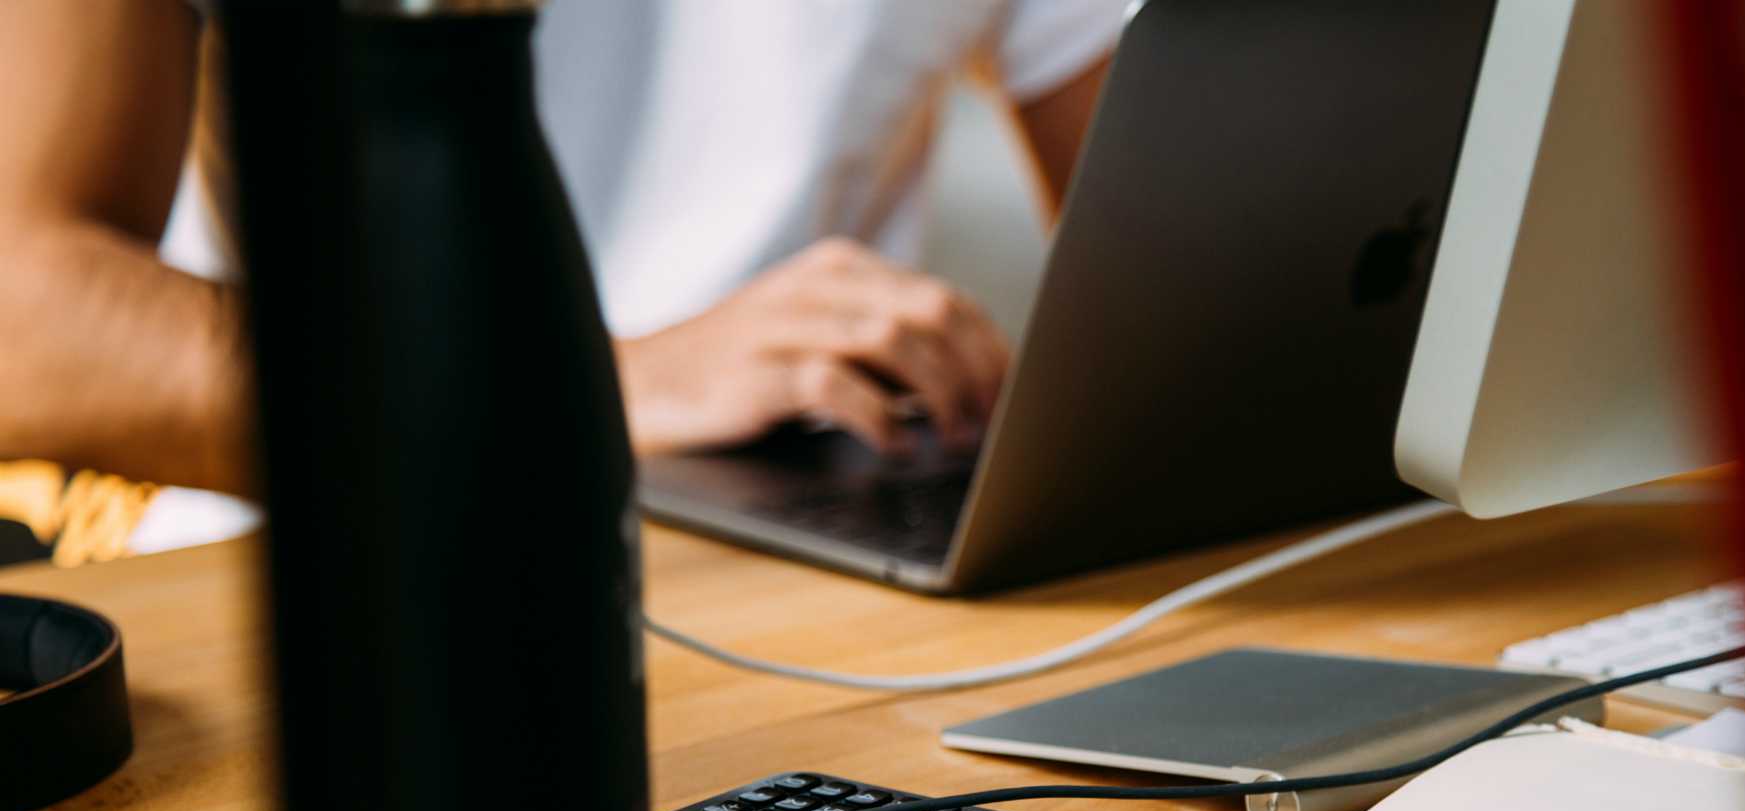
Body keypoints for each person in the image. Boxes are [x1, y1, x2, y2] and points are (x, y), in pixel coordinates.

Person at [0, 0, 1128, 521]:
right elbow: (25, 320)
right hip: (359, 564)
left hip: (824, 535)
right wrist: (585, 387)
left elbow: (1175, 263)